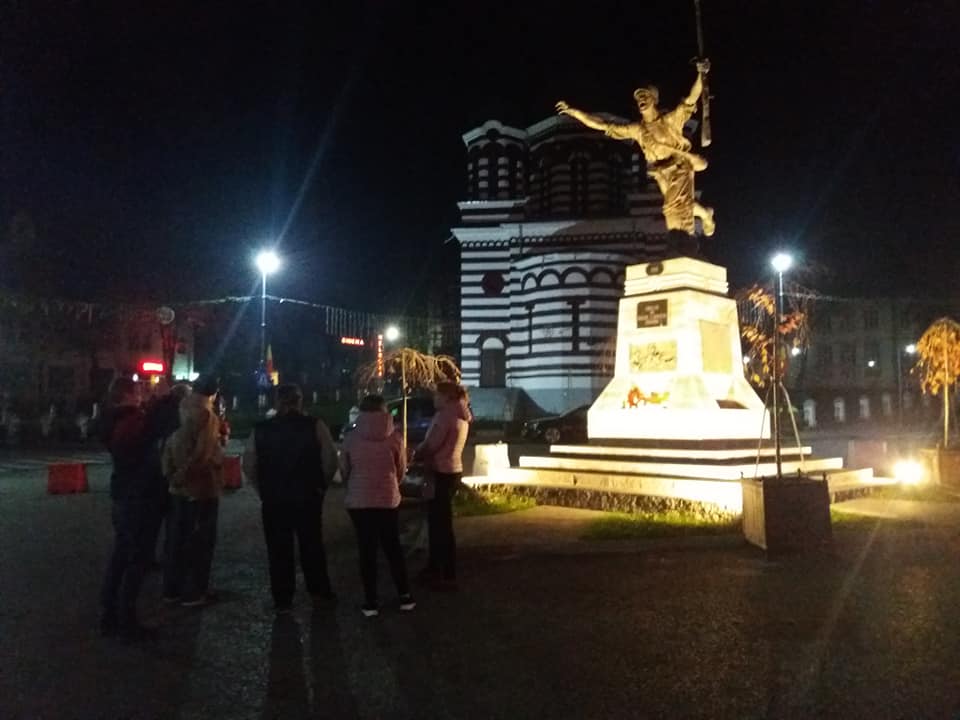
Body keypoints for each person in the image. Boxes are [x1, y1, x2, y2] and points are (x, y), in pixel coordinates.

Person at [556, 61, 714, 238]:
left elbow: (691, 98)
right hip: (661, 171)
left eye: (645, 96)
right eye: (638, 98)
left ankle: (685, 239)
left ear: (654, 99)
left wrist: (701, 74)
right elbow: (603, 125)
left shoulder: (670, 120)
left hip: (680, 166)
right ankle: (704, 216)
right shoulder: (637, 130)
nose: (641, 100)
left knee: (674, 207)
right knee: (676, 206)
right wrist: (574, 112)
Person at [242, 384, 338, 614]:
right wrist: (320, 486)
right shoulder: (315, 425)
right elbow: (330, 459)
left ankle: (283, 598)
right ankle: (319, 592)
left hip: (274, 498)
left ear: (277, 401)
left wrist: (262, 489)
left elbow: (249, 464)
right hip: (307, 496)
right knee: (312, 545)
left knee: (278, 549)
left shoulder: (261, 429)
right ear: (299, 401)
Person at [340, 394, 415, 617]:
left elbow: (345, 469)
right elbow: (401, 469)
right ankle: (404, 595)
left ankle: (371, 601)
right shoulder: (395, 437)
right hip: (387, 498)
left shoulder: (351, 438)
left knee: (367, 550)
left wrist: (352, 484)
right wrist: (393, 482)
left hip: (359, 499)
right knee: (393, 548)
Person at [98, 376, 155, 640]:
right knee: (136, 558)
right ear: (126, 395)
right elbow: (141, 453)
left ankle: (109, 612)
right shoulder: (132, 421)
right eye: (137, 390)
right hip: (136, 495)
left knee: (121, 554)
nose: (141, 394)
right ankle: (127, 619)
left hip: (122, 492)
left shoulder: (113, 419)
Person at [162, 375, 224, 607]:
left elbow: (168, 445)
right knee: (200, 540)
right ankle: (194, 592)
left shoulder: (179, 409)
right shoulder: (207, 415)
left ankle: (172, 589)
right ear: (213, 393)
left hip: (176, 487)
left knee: (177, 538)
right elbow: (203, 454)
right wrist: (186, 474)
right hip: (201, 487)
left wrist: (172, 474)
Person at [414, 382, 472, 590]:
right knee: (444, 523)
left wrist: (417, 453)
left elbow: (431, 445)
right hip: (454, 469)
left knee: (438, 524)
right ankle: (444, 569)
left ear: (446, 397)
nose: (434, 399)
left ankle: (440, 570)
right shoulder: (461, 415)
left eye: (437, 395)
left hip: (439, 471)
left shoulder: (444, 416)